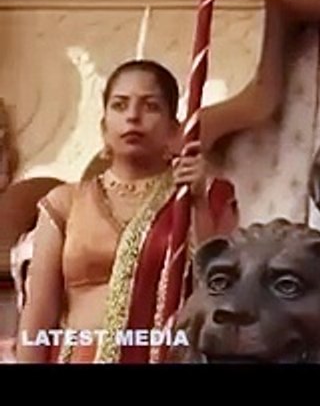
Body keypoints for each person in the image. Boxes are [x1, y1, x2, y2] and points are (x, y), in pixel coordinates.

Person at [17, 60, 239, 363]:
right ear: (104, 127)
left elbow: (222, 291)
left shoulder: (203, 196)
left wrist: (199, 202)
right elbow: (38, 317)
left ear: (174, 130)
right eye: (120, 105)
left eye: (150, 106)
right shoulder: (65, 203)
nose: (133, 116)